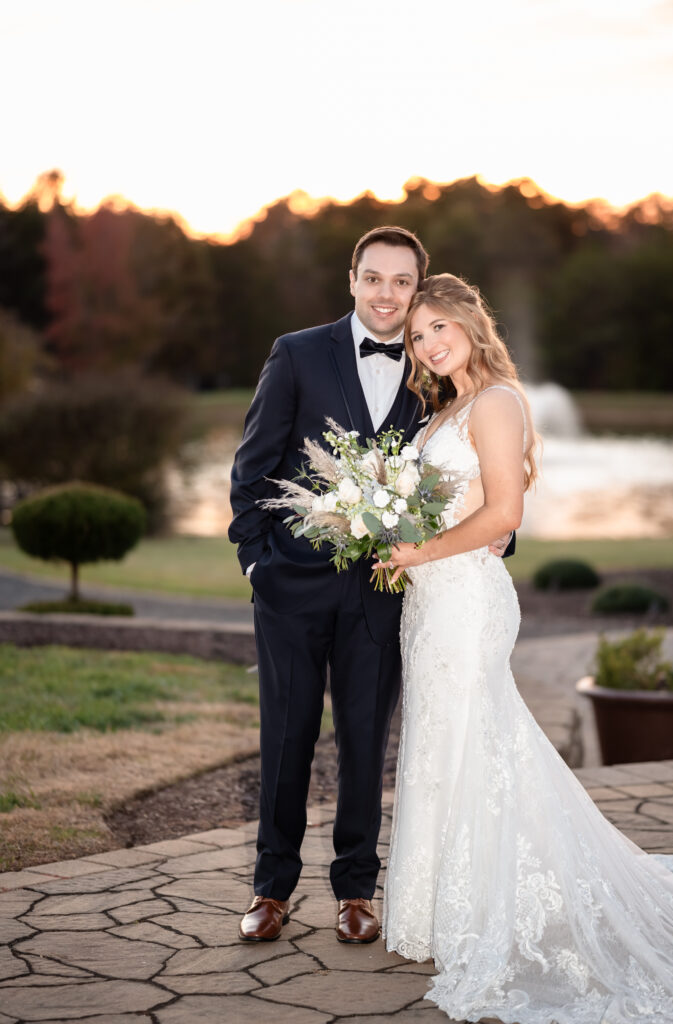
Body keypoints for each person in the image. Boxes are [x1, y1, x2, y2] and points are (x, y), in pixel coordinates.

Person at [377, 273, 673, 1022]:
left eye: (437, 327)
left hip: (466, 598)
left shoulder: (499, 402)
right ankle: (434, 908)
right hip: (429, 602)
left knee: (477, 739)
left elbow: (504, 515)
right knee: (440, 740)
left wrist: (421, 552)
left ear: (470, 322)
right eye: (416, 337)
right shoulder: (442, 410)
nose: (427, 344)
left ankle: (481, 905)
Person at [229, 225, 514, 945]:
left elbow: (479, 464)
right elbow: (252, 466)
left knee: (366, 742)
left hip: (388, 593)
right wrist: (257, 562)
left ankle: (356, 890)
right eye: (374, 278)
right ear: (351, 279)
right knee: (287, 737)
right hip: (290, 587)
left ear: (418, 290)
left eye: (402, 282)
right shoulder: (296, 354)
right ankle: (271, 888)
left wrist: (504, 532)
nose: (387, 294)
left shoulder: (431, 371)